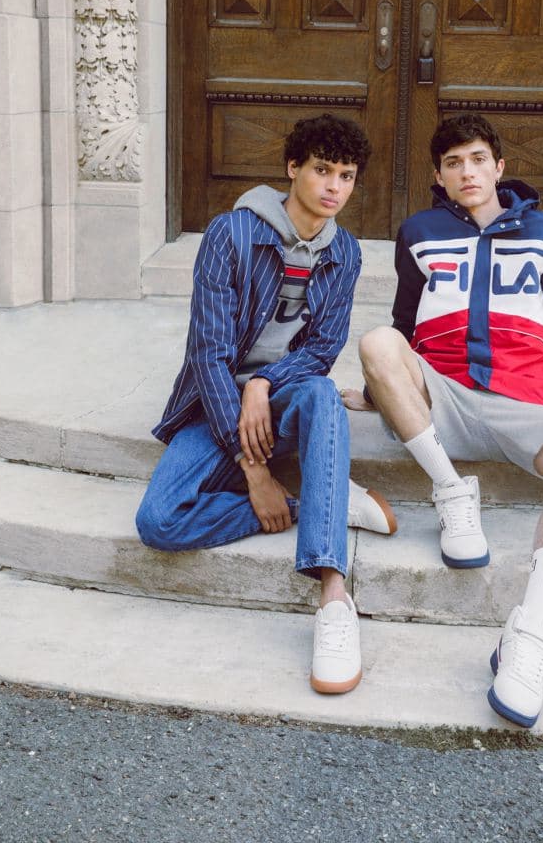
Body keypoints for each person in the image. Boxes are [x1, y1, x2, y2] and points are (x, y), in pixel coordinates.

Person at [342, 112, 543, 727]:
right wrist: (382, 388)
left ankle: (529, 631)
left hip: (524, 403)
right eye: (453, 163)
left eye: (478, 159)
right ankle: (452, 490)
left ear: (499, 167)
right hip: (444, 397)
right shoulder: (419, 231)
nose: (467, 172)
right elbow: (404, 323)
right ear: (439, 175)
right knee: (376, 341)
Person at [136, 113, 396, 696]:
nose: (334, 187)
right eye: (322, 170)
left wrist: (264, 383)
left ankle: (334, 596)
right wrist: (254, 471)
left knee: (323, 393)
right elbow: (208, 353)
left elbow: (322, 350)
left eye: (347, 176)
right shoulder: (230, 234)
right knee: (159, 522)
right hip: (214, 404)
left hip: (283, 397)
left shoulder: (345, 252)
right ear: (292, 168)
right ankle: (320, 503)